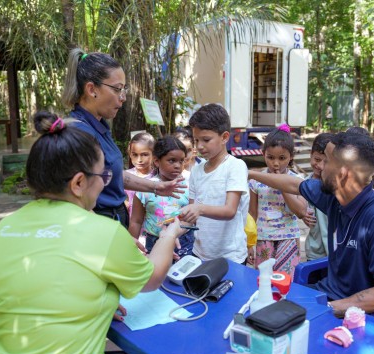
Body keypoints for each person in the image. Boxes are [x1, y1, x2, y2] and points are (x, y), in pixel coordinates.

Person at [0, 111, 182, 354]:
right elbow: (151, 280)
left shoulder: (3, 229)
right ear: (78, 183)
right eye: (103, 176)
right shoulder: (103, 232)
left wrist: (95, 302)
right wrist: (169, 234)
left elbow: (37, 290)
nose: (104, 184)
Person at [248, 132, 374, 319]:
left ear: (343, 173)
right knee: (257, 306)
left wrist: (323, 308)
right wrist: (250, 174)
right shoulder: (336, 195)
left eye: (326, 161)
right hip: (328, 293)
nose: (319, 167)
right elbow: (294, 185)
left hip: (364, 316)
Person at [61, 48, 184, 228]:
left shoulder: (99, 126)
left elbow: (113, 175)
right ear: (91, 89)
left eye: (123, 89)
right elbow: (71, 198)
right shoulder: (78, 134)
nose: (123, 97)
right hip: (99, 226)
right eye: (117, 89)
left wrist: (156, 187)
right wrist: (110, 236)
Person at [179, 104, 249, 264]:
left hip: (231, 256)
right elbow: (190, 217)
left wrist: (199, 208)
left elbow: (230, 210)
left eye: (206, 140)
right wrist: (172, 231)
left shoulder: (235, 166)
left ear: (224, 137)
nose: (199, 146)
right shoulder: (196, 171)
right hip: (200, 253)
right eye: (196, 140)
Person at [248, 124, 307, 275]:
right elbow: (252, 215)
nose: (276, 163)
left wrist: (281, 183)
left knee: (287, 280)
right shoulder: (256, 182)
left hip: (288, 237)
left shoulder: (297, 181)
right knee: (264, 280)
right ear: (263, 154)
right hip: (263, 238)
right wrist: (249, 243)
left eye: (282, 158)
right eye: (271, 157)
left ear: (291, 156)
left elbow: (301, 211)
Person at [129, 136, 195, 260]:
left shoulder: (189, 185)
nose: (177, 165)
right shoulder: (145, 188)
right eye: (171, 160)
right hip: (153, 241)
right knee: (154, 275)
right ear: (157, 161)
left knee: (180, 274)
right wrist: (131, 247)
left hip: (182, 241)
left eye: (181, 161)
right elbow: (136, 221)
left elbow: (190, 219)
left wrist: (172, 234)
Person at [302, 133, 334, 264]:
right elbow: (301, 209)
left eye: (325, 162)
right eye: (316, 159)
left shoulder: (335, 185)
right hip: (315, 251)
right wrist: (303, 215)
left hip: (334, 251)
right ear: (311, 154)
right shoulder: (306, 183)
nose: (319, 166)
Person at [124, 132, 156, 217]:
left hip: (151, 224)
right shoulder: (125, 176)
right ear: (130, 154)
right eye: (135, 155)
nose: (139, 159)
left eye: (144, 155)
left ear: (154, 154)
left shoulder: (157, 177)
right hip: (130, 222)